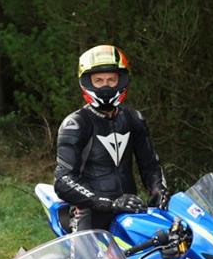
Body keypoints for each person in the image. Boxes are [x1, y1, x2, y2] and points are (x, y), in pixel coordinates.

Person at [54, 44, 168, 231]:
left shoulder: (133, 118)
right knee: (87, 252)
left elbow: (150, 166)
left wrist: (158, 189)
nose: (105, 85)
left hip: (129, 210)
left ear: (121, 80)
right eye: (98, 80)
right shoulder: (75, 124)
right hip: (89, 213)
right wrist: (107, 203)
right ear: (87, 82)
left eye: (111, 80)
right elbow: (63, 181)